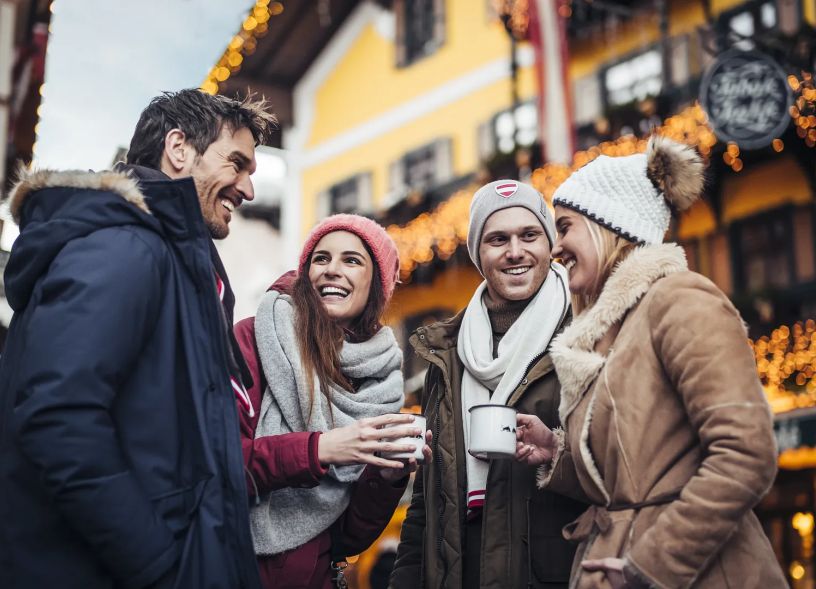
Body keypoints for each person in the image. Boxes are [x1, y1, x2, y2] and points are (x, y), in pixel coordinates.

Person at [0, 89, 276, 589]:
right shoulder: (125, 247)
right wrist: (159, 566)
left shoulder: (175, 263)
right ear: (179, 149)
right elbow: (58, 417)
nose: (248, 189)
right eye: (236, 163)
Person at [515, 135, 787, 588]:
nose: (555, 247)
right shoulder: (610, 334)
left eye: (565, 227)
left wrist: (652, 567)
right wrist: (557, 453)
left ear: (607, 225)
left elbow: (746, 453)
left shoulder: (678, 299)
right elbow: (637, 475)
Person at [390, 181, 587, 589]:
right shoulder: (447, 353)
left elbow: (623, 470)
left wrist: (555, 450)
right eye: (498, 239)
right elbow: (426, 500)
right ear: (479, 254)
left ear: (550, 245)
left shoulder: (585, 334)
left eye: (529, 235)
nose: (515, 251)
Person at [234, 213, 431, 589]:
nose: (331, 270)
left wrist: (387, 477)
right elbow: (218, 464)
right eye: (320, 259)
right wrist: (322, 449)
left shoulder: (380, 380)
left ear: (376, 285)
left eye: (351, 260)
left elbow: (347, 537)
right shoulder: (255, 339)